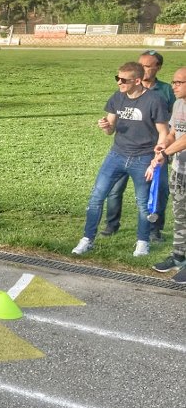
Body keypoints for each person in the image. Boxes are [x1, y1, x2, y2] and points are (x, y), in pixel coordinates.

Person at [72, 62, 169, 258]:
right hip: (116, 155)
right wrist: (105, 125)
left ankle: (142, 242)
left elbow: (163, 132)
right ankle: (87, 239)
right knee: (96, 197)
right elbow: (110, 129)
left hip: (143, 158)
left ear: (137, 80)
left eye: (124, 80)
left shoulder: (154, 100)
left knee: (143, 203)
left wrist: (157, 158)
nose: (119, 83)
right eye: (117, 78)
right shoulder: (118, 98)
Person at [101, 50, 175, 241]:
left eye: (148, 66)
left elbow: (174, 121)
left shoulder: (166, 91)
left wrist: (165, 148)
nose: (143, 69)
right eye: (140, 65)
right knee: (115, 188)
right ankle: (112, 224)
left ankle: (154, 229)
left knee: (158, 190)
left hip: (155, 151)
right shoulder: (125, 91)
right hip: (124, 151)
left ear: (158, 68)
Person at [149, 67, 186, 283]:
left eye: (179, 82)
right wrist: (163, 143)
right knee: (180, 215)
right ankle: (179, 256)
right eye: (173, 82)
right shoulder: (179, 104)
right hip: (179, 170)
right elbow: (174, 132)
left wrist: (165, 152)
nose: (174, 86)